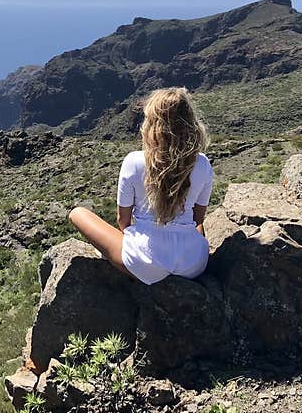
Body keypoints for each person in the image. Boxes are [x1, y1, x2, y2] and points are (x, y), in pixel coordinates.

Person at [68, 87, 213, 284]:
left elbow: (123, 221)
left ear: (152, 124)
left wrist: (137, 243)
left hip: (144, 262)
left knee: (77, 213)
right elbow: (198, 220)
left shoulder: (134, 161)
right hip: (193, 264)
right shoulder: (203, 163)